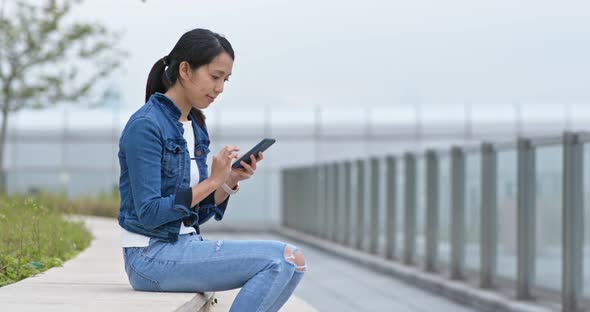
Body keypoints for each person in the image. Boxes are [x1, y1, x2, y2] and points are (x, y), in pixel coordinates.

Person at [117, 28, 306, 312]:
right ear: (185, 70)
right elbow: (151, 213)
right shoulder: (146, 126)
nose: (219, 88)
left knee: (295, 263)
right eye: (215, 77)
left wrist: (227, 181)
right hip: (150, 255)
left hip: (183, 245)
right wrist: (213, 180)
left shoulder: (195, 127)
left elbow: (197, 213)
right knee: (281, 258)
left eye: (225, 80)